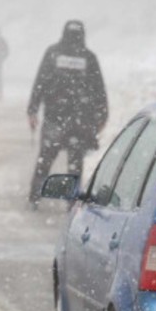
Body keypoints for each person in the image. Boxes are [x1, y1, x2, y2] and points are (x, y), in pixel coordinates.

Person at [27, 20, 108, 206]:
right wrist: (102, 115)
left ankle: (35, 197)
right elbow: (99, 90)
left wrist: (33, 110)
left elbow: (40, 82)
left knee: (45, 160)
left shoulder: (53, 54)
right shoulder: (88, 58)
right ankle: (72, 202)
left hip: (54, 118)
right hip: (80, 122)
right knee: (75, 165)